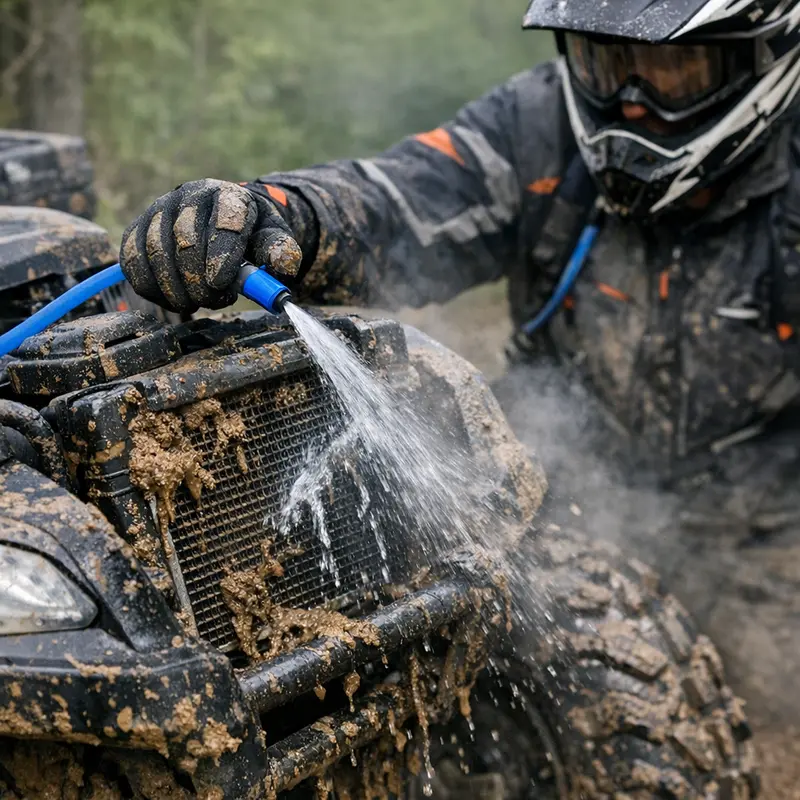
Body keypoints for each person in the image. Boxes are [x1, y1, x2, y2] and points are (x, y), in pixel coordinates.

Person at [120, 0, 800, 724]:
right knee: (420, 660)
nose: (632, 101)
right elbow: (395, 196)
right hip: (564, 486)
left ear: (761, 57)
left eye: (672, 68)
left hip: (767, 524)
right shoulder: (537, 126)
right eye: (609, 65)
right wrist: (275, 212)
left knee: (761, 718)